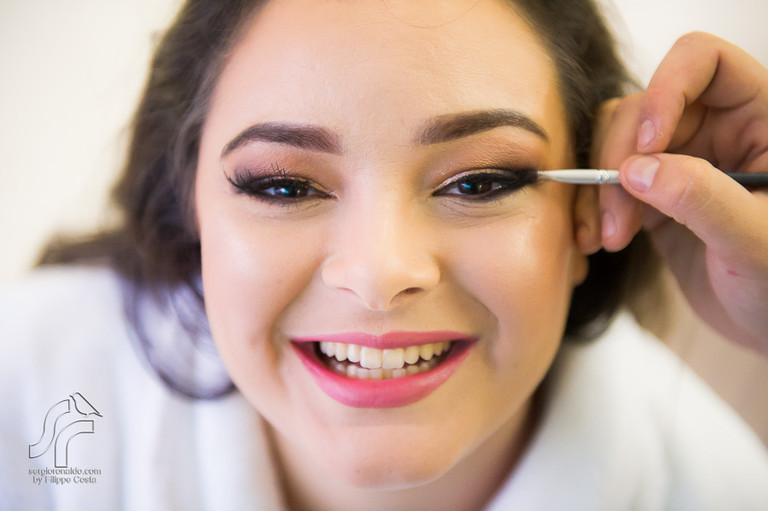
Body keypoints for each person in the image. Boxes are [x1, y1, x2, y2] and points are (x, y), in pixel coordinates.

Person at [1, 0, 767, 509]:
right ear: (188, 209)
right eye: (283, 186)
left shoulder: (721, 489)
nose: (379, 272)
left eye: (477, 182)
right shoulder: (28, 387)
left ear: (591, 212)